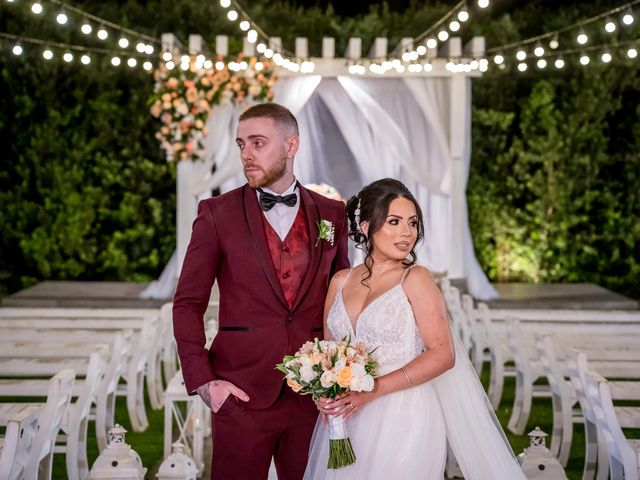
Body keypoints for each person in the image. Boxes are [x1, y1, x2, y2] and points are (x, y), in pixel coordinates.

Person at [172, 103, 350, 480]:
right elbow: (188, 303)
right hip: (240, 393)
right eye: (241, 145)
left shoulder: (332, 215)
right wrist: (204, 381)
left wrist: (341, 373)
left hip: (312, 395)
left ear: (291, 145)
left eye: (258, 143)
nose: (246, 155)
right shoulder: (216, 213)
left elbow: (342, 299)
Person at [304, 178, 526, 479]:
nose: (407, 232)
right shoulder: (340, 280)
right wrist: (324, 392)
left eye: (413, 222)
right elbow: (328, 354)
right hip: (348, 416)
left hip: (404, 413)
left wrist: (372, 391)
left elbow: (443, 355)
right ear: (367, 226)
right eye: (394, 222)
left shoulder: (416, 278)